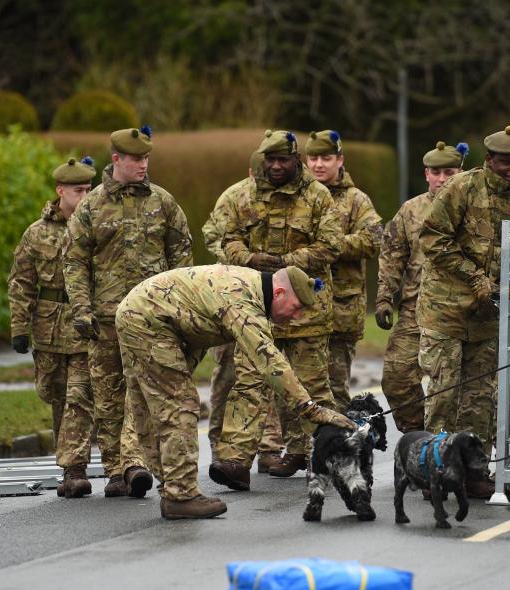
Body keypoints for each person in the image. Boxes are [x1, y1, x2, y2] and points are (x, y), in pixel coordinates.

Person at [116, 265, 356, 518]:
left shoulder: (249, 288)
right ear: (280, 293)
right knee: (180, 405)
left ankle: (172, 487)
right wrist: (312, 410)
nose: (296, 317)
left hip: (139, 313)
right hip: (147, 319)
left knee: (148, 407)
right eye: (296, 308)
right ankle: (181, 495)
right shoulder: (242, 299)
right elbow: (270, 363)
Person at [64, 126, 194, 497]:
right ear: (116, 159)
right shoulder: (91, 206)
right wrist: (82, 309)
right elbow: (74, 261)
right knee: (107, 394)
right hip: (104, 317)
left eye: (146, 158)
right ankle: (116, 469)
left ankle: (135, 464)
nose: (142, 165)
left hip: (151, 319)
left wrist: (178, 309)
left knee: (143, 392)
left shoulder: (163, 202)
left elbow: (182, 257)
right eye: (135, 159)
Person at [212, 129, 343, 486]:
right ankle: (236, 461)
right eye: (269, 160)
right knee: (250, 384)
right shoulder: (245, 195)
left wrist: (283, 262)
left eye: (282, 160)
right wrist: (252, 258)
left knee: (311, 387)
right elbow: (228, 241)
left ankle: (315, 453)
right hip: (255, 308)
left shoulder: (317, 197)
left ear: (296, 161)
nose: (275, 167)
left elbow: (330, 246)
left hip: (306, 312)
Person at [417, 125, 510, 499]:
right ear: (489, 161)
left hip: (489, 319)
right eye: (506, 163)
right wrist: (474, 277)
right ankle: (433, 470)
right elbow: (432, 238)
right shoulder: (462, 189)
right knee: (444, 396)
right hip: (446, 312)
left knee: (480, 399)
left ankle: (473, 470)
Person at [8, 157, 96, 497]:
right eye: (78, 191)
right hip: (48, 327)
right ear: (60, 191)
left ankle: (75, 470)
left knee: (79, 394)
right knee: (56, 395)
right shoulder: (36, 233)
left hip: (84, 325)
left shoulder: (93, 227)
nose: (85, 196)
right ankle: (70, 464)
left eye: (89, 190)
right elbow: (21, 283)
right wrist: (19, 327)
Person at [201, 151, 284, 473]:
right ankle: (219, 443)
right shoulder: (234, 197)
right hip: (231, 295)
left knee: (267, 369)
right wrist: (242, 259)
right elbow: (213, 235)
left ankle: (269, 447)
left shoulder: (284, 200)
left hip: (268, 300)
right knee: (227, 374)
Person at [376, 141, 466, 434]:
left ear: (460, 172)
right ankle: (419, 436)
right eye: (436, 172)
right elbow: (392, 257)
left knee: (451, 384)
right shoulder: (411, 210)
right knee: (396, 377)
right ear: (426, 173)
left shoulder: (470, 207)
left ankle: (448, 442)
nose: (442, 179)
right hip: (415, 310)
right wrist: (384, 298)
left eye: (449, 172)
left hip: (457, 310)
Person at [305, 129, 383, 410]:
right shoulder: (299, 197)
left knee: (335, 391)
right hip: (300, 309)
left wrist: (330, 247)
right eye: (312, 158)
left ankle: (337, 449)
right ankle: (301, 451)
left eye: (326, 158)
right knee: (299, 391)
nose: (318, 165)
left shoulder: (355, 200)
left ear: (340, 160)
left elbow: (373, 239)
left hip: (340, 311)